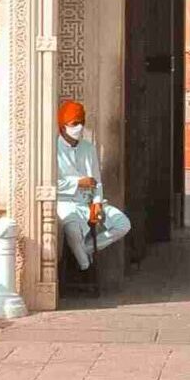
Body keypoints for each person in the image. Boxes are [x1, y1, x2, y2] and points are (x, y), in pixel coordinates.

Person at [55, 99, 130, 271]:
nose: (79, 128)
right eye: (74, 124)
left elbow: (96, 181)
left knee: (123, 224)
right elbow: (52, 183)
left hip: (88, 202)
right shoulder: (53, 149)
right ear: (63, 125)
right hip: (65, 202)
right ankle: (84, 264)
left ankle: (85, 249)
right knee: (72, 228)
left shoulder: (88, 148)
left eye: (81, 123)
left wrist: (97, 202)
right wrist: (77, 182)